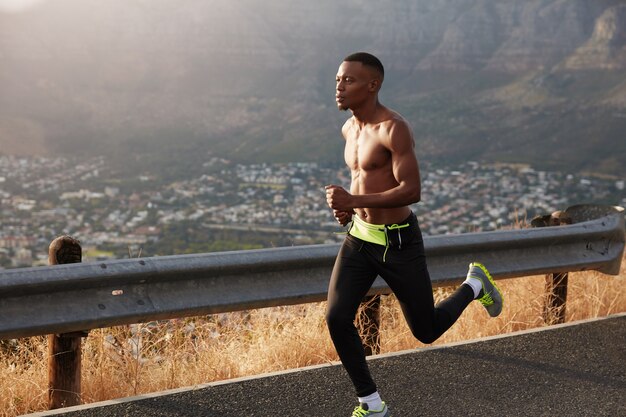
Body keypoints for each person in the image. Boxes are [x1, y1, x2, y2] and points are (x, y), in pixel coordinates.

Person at [324, 52, 503, 417]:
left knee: (426, 330)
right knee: (337, 318)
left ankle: (474, 286)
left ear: (372, 85)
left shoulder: (393, 127)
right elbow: (365, 180)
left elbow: (411, 190)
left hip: (398, 242)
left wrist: (353, 197)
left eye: (349, 80)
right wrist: (348, 208)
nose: (339, 87)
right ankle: (371, 405)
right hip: (360, 238)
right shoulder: (348, 129)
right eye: (338, 80)